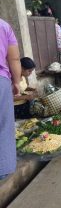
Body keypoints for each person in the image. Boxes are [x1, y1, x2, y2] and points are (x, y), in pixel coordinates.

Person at [0, 18, 21, 180]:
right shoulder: (4, 26)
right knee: (4, 124)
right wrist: (16, 82)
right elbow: (13, 58)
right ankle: (3, 168)